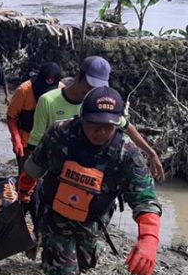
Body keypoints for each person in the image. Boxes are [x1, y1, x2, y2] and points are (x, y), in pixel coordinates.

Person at [18, 86, 162, 275]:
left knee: (80, 267)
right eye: (94, 124)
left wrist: (149, 238)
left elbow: (144, 197)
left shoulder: (125, 152)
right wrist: (24, 188)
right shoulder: (61, 133)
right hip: (57, 218)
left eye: (108, 126)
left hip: (92, 222)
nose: (100, 132)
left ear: (118, 123)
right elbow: (36, 164)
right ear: (82, 117)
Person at [28, 56, 165, 181]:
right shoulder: (48, 101)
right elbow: (35, 143)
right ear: (78, 76)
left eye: (98, 87)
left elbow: (127, 127)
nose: (92, 90)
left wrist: (151, 153)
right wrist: (28, 178)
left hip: (90, 176)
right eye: (90, 84)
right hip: (57, 173)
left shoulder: (98, 105)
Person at [7, 62, 63, 172]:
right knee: (24, 175)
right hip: (25, 142)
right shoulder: (24, 90)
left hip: (49, 142)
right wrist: (17, 140)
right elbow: (11, 117)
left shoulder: (61, 91)